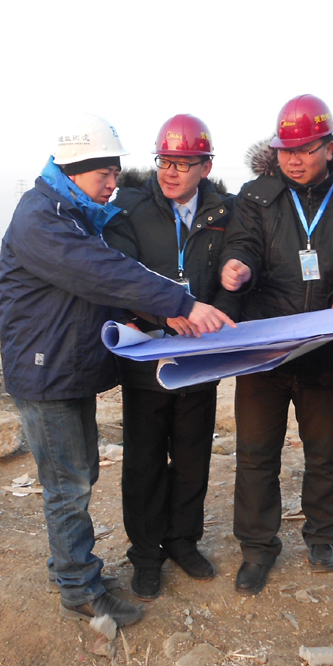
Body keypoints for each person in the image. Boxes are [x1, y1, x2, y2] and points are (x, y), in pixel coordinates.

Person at [0, 114, 235, 629]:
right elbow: (103, 271)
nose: (113, 183)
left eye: (115, 172)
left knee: (78, 475)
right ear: (75, 169)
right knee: (69, 484)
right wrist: (180, 304)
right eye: (104, 173)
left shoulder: (72, 211)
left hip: (65, 368)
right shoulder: (43, 217)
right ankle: (80, 590)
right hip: (45, 372)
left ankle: (68, 567)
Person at [220, 95, 333, 594]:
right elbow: (242, 243)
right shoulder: (257, 195)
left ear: (328, 147)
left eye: (305, 149)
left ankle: (323, 535)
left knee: (325, 450)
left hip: (324, 348)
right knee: (255, 453)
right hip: (264, 348)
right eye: (286, 150)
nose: (294, 159)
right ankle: (256, 548)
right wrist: (238, 266)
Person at [103, 114, 240, 601]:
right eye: (165, 161)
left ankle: (183, 541)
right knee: (143, 459)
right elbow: (119, 274)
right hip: (147, 357)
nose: (171, 172)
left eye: (183, 163)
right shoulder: (131, 209)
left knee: (191, 455)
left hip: (200, 358)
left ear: (205, 167)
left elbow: (237, 269)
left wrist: (219, 313)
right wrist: (165, 311)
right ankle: (145, 554)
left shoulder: (224, 212)